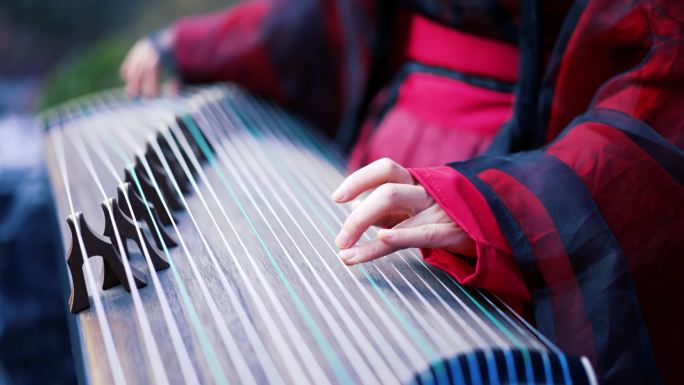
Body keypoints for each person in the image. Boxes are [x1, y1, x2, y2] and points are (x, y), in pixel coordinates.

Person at [121, 1, 683, 384]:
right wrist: (202, 42)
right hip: (384, 157)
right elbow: (335, 18)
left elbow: (661, 80)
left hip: (521, 168)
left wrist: (502, 209)